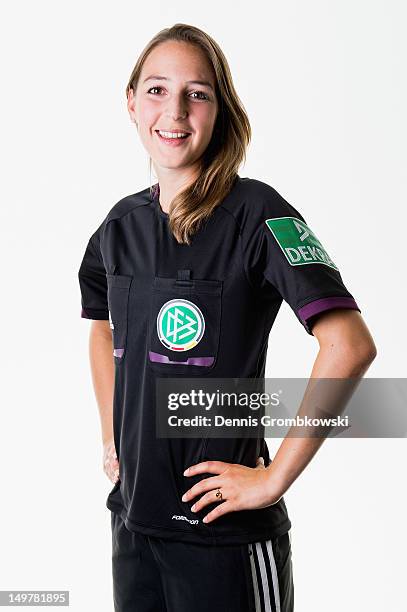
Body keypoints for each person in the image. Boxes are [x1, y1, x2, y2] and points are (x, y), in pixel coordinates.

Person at [78, 23, 376, 612]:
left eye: (198, 93)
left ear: (220, 111)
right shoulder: (119, 227)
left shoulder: (258, 214)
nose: (176, 111)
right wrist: (113, 431)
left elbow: (350, 345)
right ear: (131, 102)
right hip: (133, 526)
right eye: (158, 90)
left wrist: (272, 480)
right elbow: (100, 323)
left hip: (224, 538)